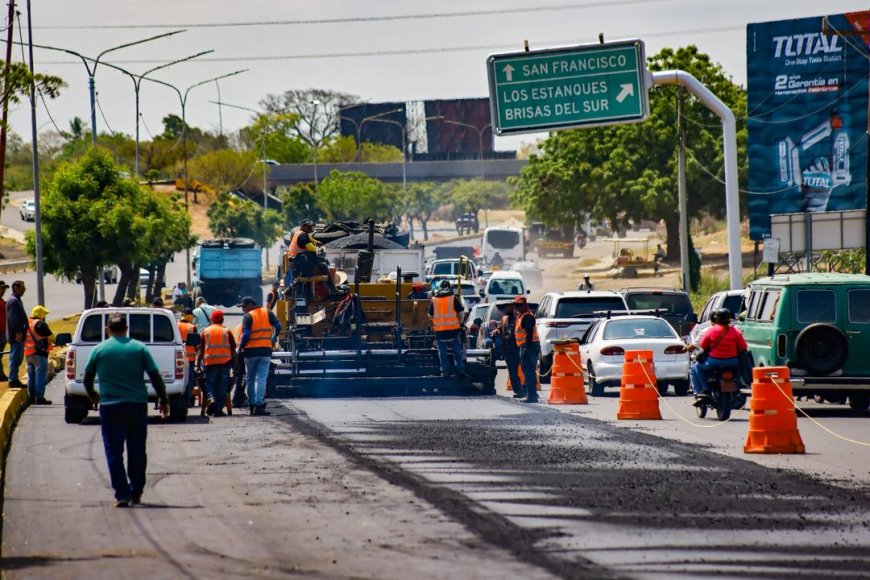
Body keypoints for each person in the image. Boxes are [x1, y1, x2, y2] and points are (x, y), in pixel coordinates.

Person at [83, 314, 169, 507]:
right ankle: (136, 490)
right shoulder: (139, 348)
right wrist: (164, 399)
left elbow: (87, 378)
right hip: (137, 406)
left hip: (110, 407)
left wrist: (92, 395)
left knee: (113, 451)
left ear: (107, 329)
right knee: (137, 450)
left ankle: (122, 493)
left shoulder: (99, 350)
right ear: (126, 328)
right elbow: (155, 376)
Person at [686, 308, 748, 395]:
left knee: (696, 367)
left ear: (717, 319)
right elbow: (743, 347)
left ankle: (706, 389)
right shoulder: (736, 331)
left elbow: (703, 345)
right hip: (733, 362)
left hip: (713, 362)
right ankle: (736, 388)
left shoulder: (711, 330)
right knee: (737, 370)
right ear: (729, 319)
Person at [237, 296, 281, 416]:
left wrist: (240, 348)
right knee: (261, 378)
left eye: (244, 307)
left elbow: (246, 334)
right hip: (265, 351)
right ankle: (259, 404)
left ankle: (252, 404)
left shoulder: (248, 316)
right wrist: (274, 337)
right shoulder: (268, 312)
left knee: (250, 378)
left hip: (250, 352)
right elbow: (278, 326)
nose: (243, 310)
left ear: (250, 305)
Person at [196, 310, 238, 417]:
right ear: (222, 320)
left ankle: (211, 400)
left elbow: (200, 350)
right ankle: (218, 410)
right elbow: (233, 350)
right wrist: (236, 366)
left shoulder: (205, 331)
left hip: (210, 364)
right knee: (223, 387)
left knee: (210, 384)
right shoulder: (227, 331)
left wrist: (197, 365)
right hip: (225, 364)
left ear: (211, 320)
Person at [428, 280, 466, 378]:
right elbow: (461, 312)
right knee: (457, 351)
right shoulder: (453, 298)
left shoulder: (434, 299)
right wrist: (461, 323)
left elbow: (430, 315)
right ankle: (460, 369)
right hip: (453, 331)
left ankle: (445, 371)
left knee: (442, 352)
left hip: (440, 332)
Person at [492, 301, 524, 399]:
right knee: (512, 372)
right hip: (509, 349)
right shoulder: (504, 319)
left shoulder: (520, 318)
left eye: (506, 307)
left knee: (526, 371)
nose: (504, 310)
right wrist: (496, 331)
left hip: (521, 347)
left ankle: (529, 391)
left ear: (512, 307)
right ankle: (518, 391)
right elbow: (500, 329)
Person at [25, 305, 53, 405]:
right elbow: (52, 337)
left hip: (28, 353)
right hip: (39, 354)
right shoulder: (40, 324)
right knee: (40, 375)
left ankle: (31, 397)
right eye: (44, 314)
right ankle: (40, 397)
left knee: (31, 376)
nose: (44, 316)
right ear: (40, 314)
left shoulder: (27, 322)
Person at [514, 296, 539, 403]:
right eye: (516, 305)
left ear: (524, 305)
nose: (518, 307)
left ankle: (531, 396)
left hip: (529, 346)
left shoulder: (527, 317)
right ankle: (532, 394)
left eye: (520, 305)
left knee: (529, 372)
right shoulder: (521, 316)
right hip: (525, 346)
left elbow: (529, 333)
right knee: (528, 371)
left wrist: (526, 349)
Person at [6, 280, 27, 389]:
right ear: (16, 288)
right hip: (16, 335)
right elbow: (12, 318)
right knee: (15, 357)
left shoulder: (16, 300)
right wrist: (18, 332)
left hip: (19, 334)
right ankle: (12, 379)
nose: (24, 291)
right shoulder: (13, 301)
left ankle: (14, 378)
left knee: (18, 358)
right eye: (22, 288)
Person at [177, 308, 198, 407]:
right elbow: (196, 345)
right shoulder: (192, 327)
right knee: (189, 380)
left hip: (178, 358)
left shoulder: (175, 325)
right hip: (190, 359)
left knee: (179, 380)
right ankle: (188, 401)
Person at [230, 321, 247, 408]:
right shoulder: (245, 326)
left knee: (240, 376)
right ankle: (236, 400)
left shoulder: (237, 326)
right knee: (242, 377)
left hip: (234, 354)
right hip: (240, 353)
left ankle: (240, 396)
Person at [0, 280, 8, 382]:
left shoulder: (2, 300)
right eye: (2, 288)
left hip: (3, 331)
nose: (3, 290)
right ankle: (1, 375)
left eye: (4, 288)